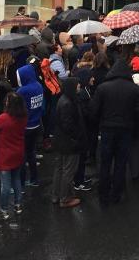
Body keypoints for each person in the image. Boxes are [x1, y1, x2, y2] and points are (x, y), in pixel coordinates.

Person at [90, 56, 139, 206]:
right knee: (121, 163)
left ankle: (103, 193)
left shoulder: (102, 88)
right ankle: (116, 193)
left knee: (105, 162)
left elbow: (94, 110)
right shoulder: (134, 89)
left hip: (107, 129)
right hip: (126, 129)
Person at [0, 93, 28, 220]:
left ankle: (4, 210)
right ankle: (18, 205)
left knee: (5, 186)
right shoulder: (23, 117)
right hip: (18, 153)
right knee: (16, 180)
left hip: (5, 155)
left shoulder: (4, 117)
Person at [52, 77, 84, 209]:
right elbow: (69, 126)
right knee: (68, 171)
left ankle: (56, 195)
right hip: (69, 143)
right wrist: (77, 137)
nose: (79, 87)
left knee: (60, 168)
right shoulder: (68, 103)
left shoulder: (63, 100)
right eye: (77, 85)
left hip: (61, 141)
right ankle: (65, 198)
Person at [16, 61, 44, 187]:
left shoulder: (23, 91)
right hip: (36, 124)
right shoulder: (38, 85)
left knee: (22, 155)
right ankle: (34, 179)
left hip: (25, 126)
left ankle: (21, 183)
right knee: (31, 152)